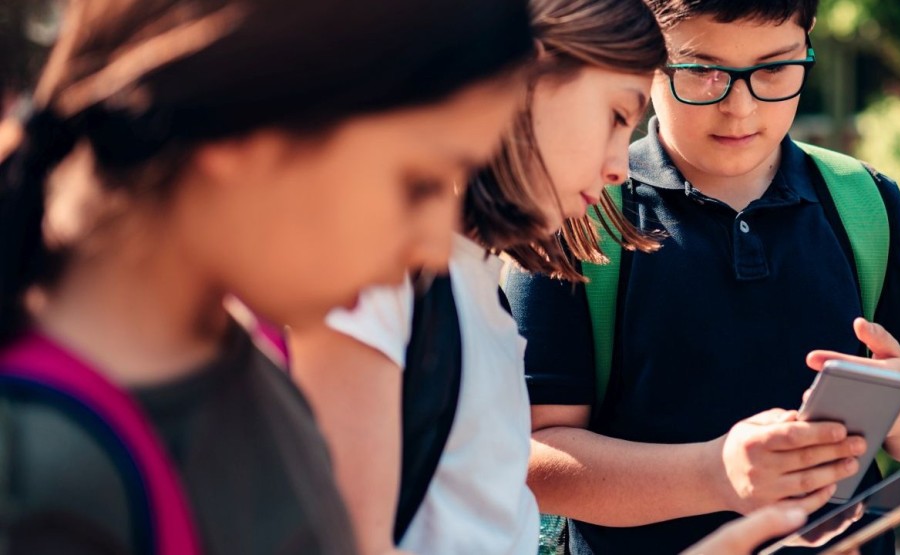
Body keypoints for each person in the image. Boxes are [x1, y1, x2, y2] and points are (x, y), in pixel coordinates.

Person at [0, 0, 534, 552]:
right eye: (420, 184)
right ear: (241, 125)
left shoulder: (249, 371)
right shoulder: (41, 475)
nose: (432, 249)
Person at [503, 0, 900, 553]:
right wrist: (713, 476)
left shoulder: (866, 202)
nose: (741, 108)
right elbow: (529, 459)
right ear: (644, 58)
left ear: (808, 41)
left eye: (774, 69)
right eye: (702, 72)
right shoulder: (580, 211)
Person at [287, 0, 665, 552]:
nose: (620, 166)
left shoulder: (478, 288)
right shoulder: (378, 279)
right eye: (615, 116)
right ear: (525, 77)